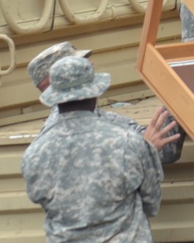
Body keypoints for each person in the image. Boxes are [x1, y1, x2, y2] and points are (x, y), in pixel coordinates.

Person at [22, 56, 165, 243]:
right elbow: (152, 203)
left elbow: (38, 198)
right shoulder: (129, 143)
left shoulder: (35, 154)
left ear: (54, 97)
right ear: (94, 93)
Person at [28, 41, 183, 164]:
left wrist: (179, 92)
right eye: (81, 62)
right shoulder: (57, 134)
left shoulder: (96, 115)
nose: (91, 64)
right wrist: (145, 152)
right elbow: (93, 182)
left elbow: (161, 147)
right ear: (54, 78)